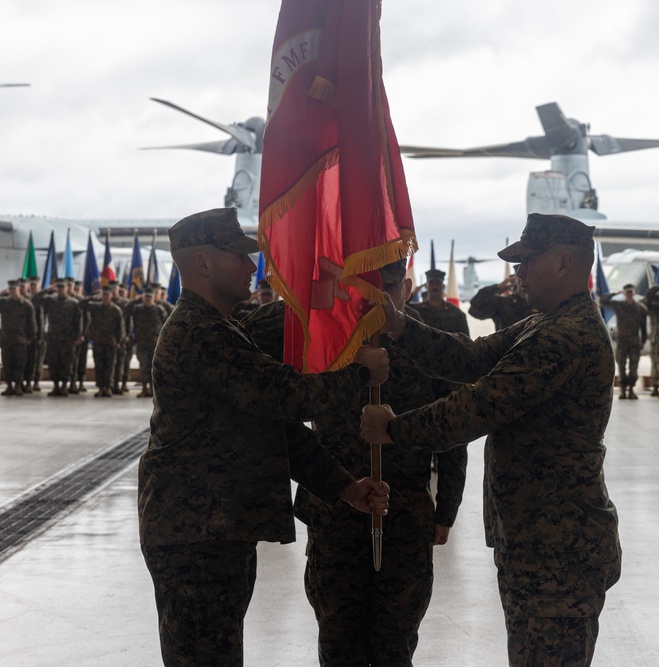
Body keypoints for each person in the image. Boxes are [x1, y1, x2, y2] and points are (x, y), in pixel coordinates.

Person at [362, 213, 621, 667]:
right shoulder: (542, 324)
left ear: (564, 262)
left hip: (558, 545)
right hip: (537, 536)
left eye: (526, 261)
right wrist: (400, 325)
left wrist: (394, 429)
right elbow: (469, 359)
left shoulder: (567, 336)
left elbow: (479, 406)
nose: (517, 272)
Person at [138, 208, 391, 667]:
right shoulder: (200, 334)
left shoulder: (222, 329)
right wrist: (360, 374)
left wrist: (343, 487)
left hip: (213, 530)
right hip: (195, 535)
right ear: (202, 264)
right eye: (238, 255)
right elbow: (286, 397)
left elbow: (275, 428)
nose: (252, 266)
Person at [244, 259, 469, 667]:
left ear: (408, 286)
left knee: (395, 640)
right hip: (335, 510)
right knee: (338, 637)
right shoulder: (326, 341)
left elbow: (451, 434)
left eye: (387, 287)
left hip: (405, 512)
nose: (377, 299)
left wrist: (447, 509)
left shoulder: (429, 344)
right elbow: (271, 381)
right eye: (364, 288)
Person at [599, 284, 646, 399]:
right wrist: (616, 293)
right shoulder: (619, 306)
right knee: (621, 366)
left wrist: (643, 341)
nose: (629, 294)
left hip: (634, 342)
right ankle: (622, 390)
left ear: (634, 293)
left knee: (634, 367)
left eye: (631, 292)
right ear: (625, 293)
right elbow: (603, 301)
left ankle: (631, 389)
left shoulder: (640, 308)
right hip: (622, 341)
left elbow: (643, 327)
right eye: (627, 292)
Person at [43, 279, 84, 397]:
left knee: (67, 364)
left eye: (63, 287)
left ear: (67, 288)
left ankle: (64, 386)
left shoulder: (74, 303)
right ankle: (56, 386)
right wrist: (48, 290)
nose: (60, 290)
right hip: (53, 338)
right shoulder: (51, 301)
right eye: (59, 288)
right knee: (53, 363)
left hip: (68, 339)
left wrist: (77, 336)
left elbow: (78, 321)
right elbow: (36, 300)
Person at [0, 280, 37, 396]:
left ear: (19, 289)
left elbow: (32, 323)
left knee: (19, 364)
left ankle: (18, 386)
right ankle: (9, 386)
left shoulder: (26, 305)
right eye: (11, 289)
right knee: (7, 364)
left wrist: (30, 337)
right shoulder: (4, 303)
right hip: (6, 339)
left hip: (20, 340)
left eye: (14, 289)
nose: (12, 292)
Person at [86, 285, 125, 397]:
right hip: (98, 342)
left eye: (107, 295)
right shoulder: (96, 308)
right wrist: (93, 297)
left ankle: (108, 387)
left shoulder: (116, 310)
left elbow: (120, 327)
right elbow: (82, 305)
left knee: (110, 366)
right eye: (104, 295)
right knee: (99, 366)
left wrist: (119, 341)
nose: (105, 297)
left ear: (111, 296)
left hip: (110, 342)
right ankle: (100, 387)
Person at [410, 268, 469, 336]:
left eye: (438, 283)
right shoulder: (416, 310)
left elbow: (466, 342)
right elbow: (398, 308)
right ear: (426, 286)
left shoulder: (456, 313)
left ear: (443, 286)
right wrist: (413, 294)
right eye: (432, 283)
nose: (435, 286)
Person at [469, 274, 536, 331]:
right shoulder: (503, 302)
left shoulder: (541, 303)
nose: (523, 280)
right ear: (514, 280)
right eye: (520, 277)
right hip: (508, 346)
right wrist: (498, 287)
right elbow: (474, 308)